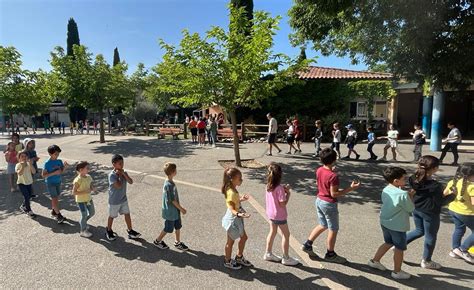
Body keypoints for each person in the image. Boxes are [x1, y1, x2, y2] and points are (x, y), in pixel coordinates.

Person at [301, 148, 360, 263]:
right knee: (333, 229)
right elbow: (334, 194)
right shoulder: (333, 176)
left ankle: (308, 244)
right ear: (334, 160)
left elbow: (324, 177)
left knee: (323, 224)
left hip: (319, 200)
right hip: (329, 203)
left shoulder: (319, 170)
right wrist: (350, 189)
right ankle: (330, 254)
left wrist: (331, 170)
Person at [405, 156, 455, 269]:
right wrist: (453, 195)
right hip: (430, 212)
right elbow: (441, 202)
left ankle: (399, 245)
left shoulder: (413, 178)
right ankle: (426, 261)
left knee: (419, 230)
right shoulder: (435, 185)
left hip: (416, 208)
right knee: (430, 236)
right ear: (434, 168)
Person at [368, 166, 415, 279]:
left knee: (388, 242)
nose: (406, 180)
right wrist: (411, 196)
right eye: (404, 178)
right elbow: (410, 208)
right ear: (396, 181)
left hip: (385, 221)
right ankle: (397, 271)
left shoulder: (386, 189)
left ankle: (375, 261)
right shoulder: (402, 194)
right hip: (397, 225)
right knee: (399, 249)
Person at [264, 164, 299, 266]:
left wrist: (283, 190)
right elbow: (282, 203)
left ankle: (268, 253)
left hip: (271, 214)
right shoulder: (279, 188)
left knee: (272, 232)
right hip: (280, 215)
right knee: (286, 235)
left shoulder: (268, 186)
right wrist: (288, 194)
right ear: (280, 175)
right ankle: (286, 257)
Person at [221, 167, 252, 270]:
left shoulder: (232, 189)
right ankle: (227, 261)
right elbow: (231, 208)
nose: (241, 180)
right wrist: (239, 214)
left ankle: (239, 257)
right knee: (230, 242)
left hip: (237, 218)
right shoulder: (231, 192)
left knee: (244, 238)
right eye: (239, 178)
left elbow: (235, 201)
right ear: (232, 179)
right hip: (233, 219)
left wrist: (241, 200)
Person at [153, 162, 189, 251]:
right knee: (168, 228)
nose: (176, 171)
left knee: (178, 226)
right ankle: (157, 241)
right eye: (175, 170)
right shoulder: (169, 185)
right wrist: (182, 209)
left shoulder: (169, 181)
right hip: (171, 212)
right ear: (173, 172)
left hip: (175, 211)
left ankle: (177, 242)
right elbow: (172, 200)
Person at [106, 154, 141, 241]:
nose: (122, 165)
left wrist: (124, 174)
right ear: (114, 164)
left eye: (122, 163)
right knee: (112, 216)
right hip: (114, 201)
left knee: (127, 214)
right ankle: (108, 230)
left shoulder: (124, 172)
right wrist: (119, 176)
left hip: (123, 199)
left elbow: (131, 181)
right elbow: (118, 186)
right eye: (119, 163)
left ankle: (130, 230)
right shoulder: (112, 175)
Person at [444, 163, 474, 264]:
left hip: (453, 209)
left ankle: (455, 250)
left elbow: (444, 194)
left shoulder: (453, 182)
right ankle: (463, 249)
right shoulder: (472, 186)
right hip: (467, 213)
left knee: (459, 229)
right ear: (470, 175)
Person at [42, 145, 69, 223]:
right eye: (55, 154)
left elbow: (61, 172)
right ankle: (59, 215)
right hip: (51, 183)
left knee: (56, 198)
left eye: (58, 154)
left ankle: (54, 212)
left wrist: (65, 167)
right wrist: (54, 173)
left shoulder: (59, 161)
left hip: (58, 182)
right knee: (54, 199)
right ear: (50, 154)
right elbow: (43, 175)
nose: (57, 155)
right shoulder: (47, 163)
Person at [72, 161, 95, 238]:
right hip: (81, 201)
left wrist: (92, 188)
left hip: (88, 199)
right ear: (81, 170)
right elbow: (74, 192)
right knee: (84, 214)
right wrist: (85, 191)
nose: (89, 169)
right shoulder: (77, 180)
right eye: (87, 168)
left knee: (92, 213)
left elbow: (90, 184)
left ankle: (83, 222)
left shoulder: (89, 177)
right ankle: (83, 230)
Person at [16, 151, 37, 218]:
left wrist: (30, 164)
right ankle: (29, 210)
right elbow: (19, 173)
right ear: (19, 158)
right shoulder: (18, 165)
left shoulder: (29, 164)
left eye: (25, 156)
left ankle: (23, 205)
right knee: (26, 196)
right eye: (22, 156)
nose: (24, 158)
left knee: (29, 196)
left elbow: (33, 172)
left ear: (27, 157)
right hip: (21, 183)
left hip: (29, 183)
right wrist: (22, 166)